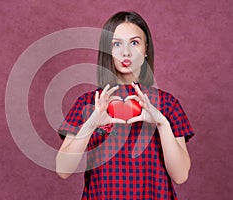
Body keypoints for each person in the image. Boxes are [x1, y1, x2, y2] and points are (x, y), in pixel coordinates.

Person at [56, 11, 194, 200]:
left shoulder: (168, 104)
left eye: (134, 43)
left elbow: (180, 175)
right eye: (116, 44)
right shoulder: (88, 103)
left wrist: (162, 123)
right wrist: (91, 124)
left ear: (146, 49)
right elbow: (63, 170)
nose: (126, 52)